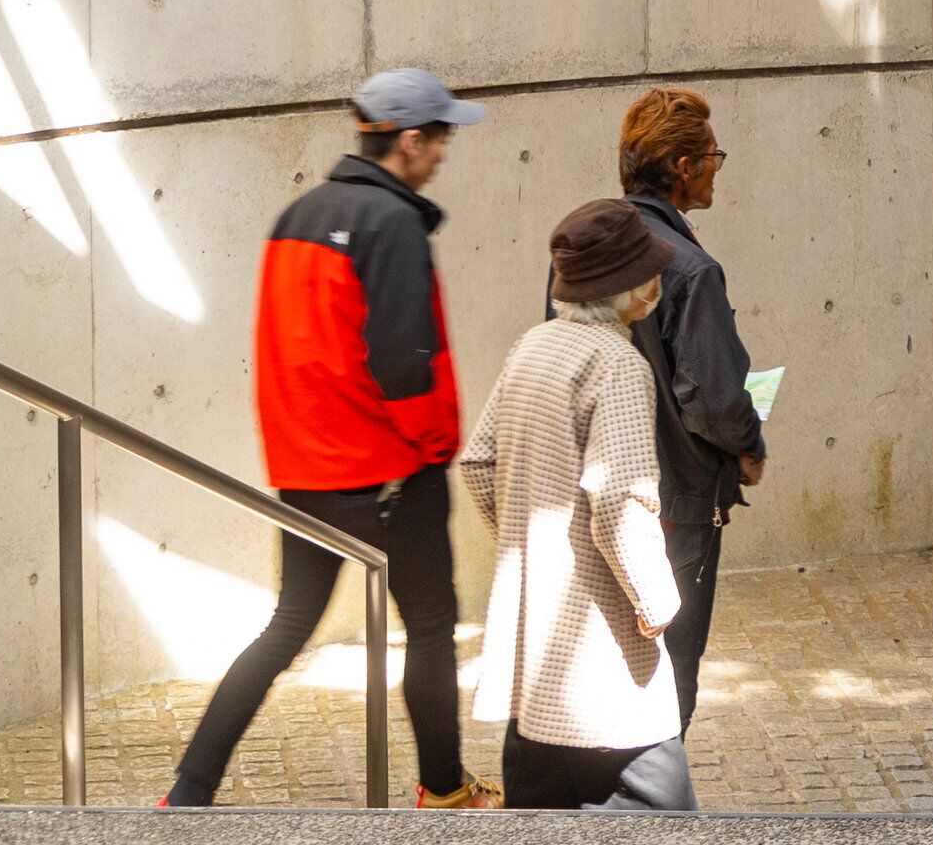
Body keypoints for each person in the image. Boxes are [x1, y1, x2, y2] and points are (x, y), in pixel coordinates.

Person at [167, 67, 498, 810]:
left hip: (308, 476)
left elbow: (291, 349)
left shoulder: (297, 214)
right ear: (408, 140)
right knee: (433, 630)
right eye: (439, 136)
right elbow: (404, 362)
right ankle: (443, 789)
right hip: (387, 474)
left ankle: (187, 794)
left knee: (286, 627)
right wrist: (435, 448)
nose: (444, 151)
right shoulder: (395, 224)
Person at [464, 200, 692, 811]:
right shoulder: (617, 363)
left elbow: (479, 461)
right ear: (628, 285)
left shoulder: (534, 345)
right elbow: (621, 497)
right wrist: (655, 599)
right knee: (665, 812)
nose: (658, 282)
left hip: (534, 644)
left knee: (541, 810)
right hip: (602, 643)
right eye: (651, 271)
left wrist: (527, 538)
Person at [605, 87, 765, 728]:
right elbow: (717, 402)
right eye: (712, 157)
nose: (716, 169)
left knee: (617, 667)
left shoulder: (594, 245)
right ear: (682, 168)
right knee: (672, 681)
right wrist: (749, 446)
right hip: (677, 501)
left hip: (603, 494)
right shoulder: (692, 269)